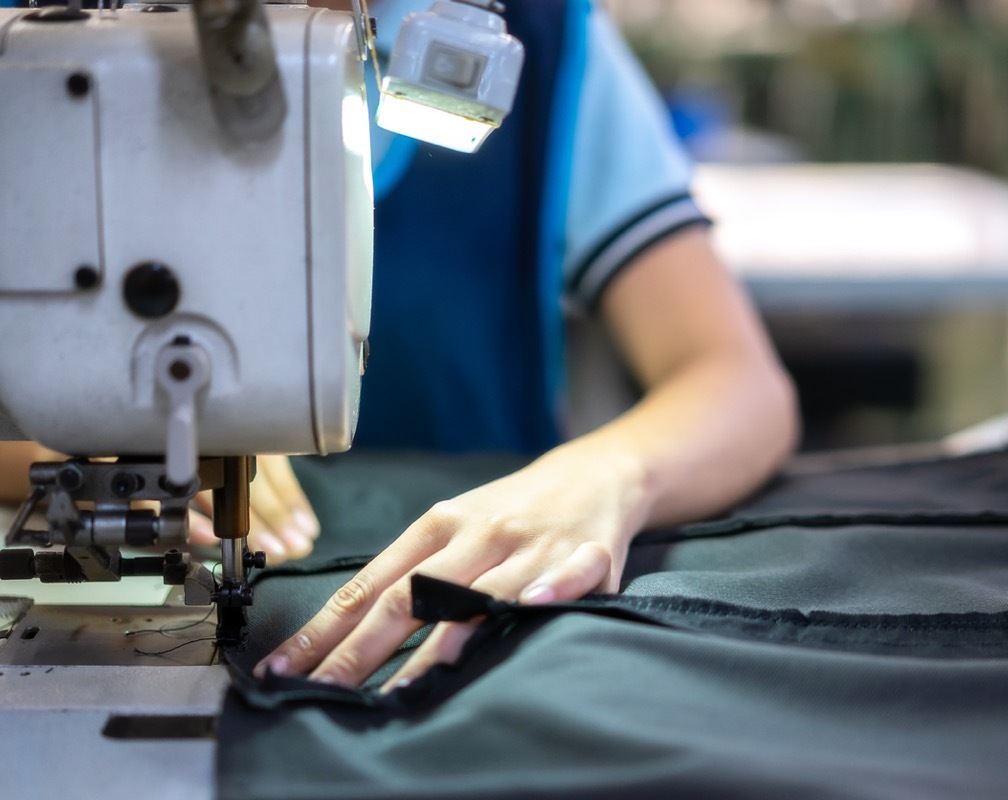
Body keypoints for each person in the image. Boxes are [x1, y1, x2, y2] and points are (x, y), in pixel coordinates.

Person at [0, 0, 798, 689]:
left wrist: (607, 475)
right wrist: (80, 430)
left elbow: (737, 379)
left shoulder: (542, 42)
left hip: (485, 603)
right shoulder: (44, 51)